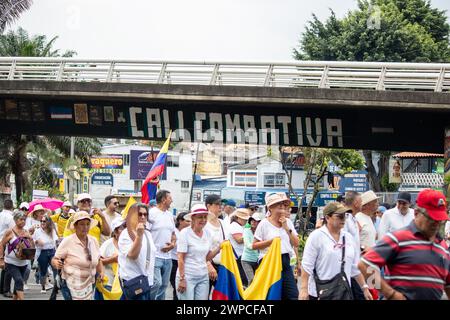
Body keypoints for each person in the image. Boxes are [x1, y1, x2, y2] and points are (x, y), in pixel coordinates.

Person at [359, 189, 450, 300]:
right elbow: (364, 265)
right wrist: (389, 294)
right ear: (416, 213)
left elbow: (448, 283)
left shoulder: (443, 246)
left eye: (439, 220)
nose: (436, 224)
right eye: (431, 219)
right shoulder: (397, 238)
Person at [299, 202, 372, 300]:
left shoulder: (348, 237)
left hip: (343, 292)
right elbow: (307, 265)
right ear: (327, 217)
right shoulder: (316, 236)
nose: (344, 219)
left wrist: (365, 288)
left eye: (345, 216)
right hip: (321, 292)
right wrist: (304, 290)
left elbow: (354, 268)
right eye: (340, 216)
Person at [253, 192, 299, 300]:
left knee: (292, 295)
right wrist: (270, 242)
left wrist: (286, 228)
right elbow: (254, 245)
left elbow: (296, 243)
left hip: (285, 261)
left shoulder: (288, 222)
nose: (282, 205)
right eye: (278, 203)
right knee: (271, 295)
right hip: (269, 261)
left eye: (283, 204)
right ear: (271, 208)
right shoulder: (264, 223)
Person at [52, 211, 103, 300]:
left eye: (87, 224)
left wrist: (101, 272)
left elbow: (98, 259)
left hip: (90, 284)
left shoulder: (93, 241)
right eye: (82, 224)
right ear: (75, 226)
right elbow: (55, 259)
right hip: (71, 284)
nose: (85, 227)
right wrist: (56, 263)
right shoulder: (68, 241)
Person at [176, 204, 222, 300]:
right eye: (200, 217)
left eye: (205, 217)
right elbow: (180, 258)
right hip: (187, 276)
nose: (203, 220)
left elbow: (207, 257)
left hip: (203, 276)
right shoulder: (185, 233)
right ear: (193, 218)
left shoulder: (208, 233)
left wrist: (219, 249)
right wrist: (182, 279)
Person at [118, 204, 156, 300]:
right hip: (133, 281)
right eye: (139, 214)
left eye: (145, 214)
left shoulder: (148, 233)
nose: (143, 217)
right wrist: (139, 236)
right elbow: (133, 255)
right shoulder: (125, 234)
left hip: (146, 281)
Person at [147, 190, 176, 300]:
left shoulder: (169, 215)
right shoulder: (151, 214)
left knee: (164, 286)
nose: (171, 200)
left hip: (168, 258)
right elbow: (146, 233)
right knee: (156, 283)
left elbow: (173, 234)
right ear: (163, 200)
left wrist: (172, 244)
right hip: (155, 256)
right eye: (170, 198)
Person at [0, 210, 35, 300]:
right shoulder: (10, 232)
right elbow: (1, 244)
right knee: (19, 280)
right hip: (11, 263)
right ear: (15, 220)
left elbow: (32, 248)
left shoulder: (26, 232)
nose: (23, 221)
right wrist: (1, 259)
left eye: (24, 219)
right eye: (21, 219)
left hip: (23, 263)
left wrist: (30, 238)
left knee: (18, 284)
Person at [95, 217, 125, 300]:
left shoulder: (128, 244)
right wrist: (112, 259)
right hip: (109, 283)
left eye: (125, 227)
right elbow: (98, 261)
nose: (125, 230)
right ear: (115, 231)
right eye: (121, 228)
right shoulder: (108, 244)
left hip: (123, 284)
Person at [204, 194, 228, 291]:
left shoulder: (223, 223)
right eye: (217, 204)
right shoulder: (204, 224)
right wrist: (208, 265)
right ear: (208, 206)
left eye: (221, 204)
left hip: (222, 266)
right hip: (207, 265)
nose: (220, 207)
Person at [33, 214, 58, 293]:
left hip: (52, 252)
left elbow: (56, 241)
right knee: (43, 271)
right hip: (42, 252)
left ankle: (56, 287)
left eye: (44, 221)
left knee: (55, 269)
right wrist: (37, 242)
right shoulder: (37, 231)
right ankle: (43, 287)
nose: (42, 222)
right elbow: (33, 241)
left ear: (48, 222)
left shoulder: (52, 231)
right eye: (41, 221)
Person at [170, 211, 191, 300]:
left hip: (185, 263)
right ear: (180, 221)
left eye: (190, 221)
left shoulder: (189, 233)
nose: (189, 223)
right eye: (187, 221)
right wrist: (173, 243)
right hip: (174, 261)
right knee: (176, 286)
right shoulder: (174, 232)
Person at [227, 208, 251, 286]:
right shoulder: (235, 226)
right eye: (243, 219)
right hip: (237, 258)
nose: (245, 221)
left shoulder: (240, 226)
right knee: (242, 281)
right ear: (237, 218)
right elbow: (239, 240)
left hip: (241, 256)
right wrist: (250, 236)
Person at [241, 212, 263, 286]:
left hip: (258, 260)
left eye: (256, 221)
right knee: (251, 280)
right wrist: (258, 245)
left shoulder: (261, 232)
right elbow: (247, 244)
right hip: (247, 260)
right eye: (252, 220)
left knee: (259, 280)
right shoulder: (246, 231)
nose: (253, 222)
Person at [0, 199, 14, 297]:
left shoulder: (0, 215)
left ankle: (2, 288)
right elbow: (12, 231)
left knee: (4, 266)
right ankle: (6, 290)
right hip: (5, 242)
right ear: (12, 206)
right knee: (8, 266)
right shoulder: (10, 217)